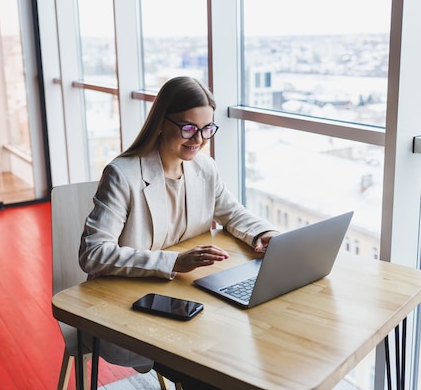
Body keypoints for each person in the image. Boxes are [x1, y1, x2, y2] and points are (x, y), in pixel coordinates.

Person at [78, 76, 278, 390]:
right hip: (129, 303)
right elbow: (92, 254)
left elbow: (231, 211)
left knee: (242, 352)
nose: (198, 139)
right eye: (188, 128)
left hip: (187, 297)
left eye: (207, 129)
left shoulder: (204, 168)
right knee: (214, 371)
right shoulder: (122, 174)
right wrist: (172, 262)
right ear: (161, 121)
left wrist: (261, 233)